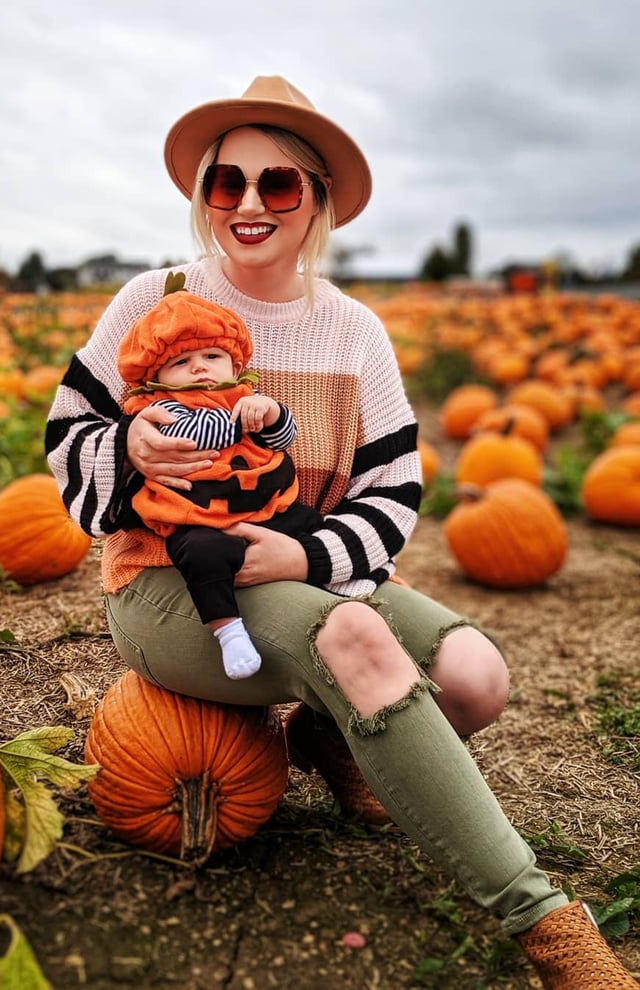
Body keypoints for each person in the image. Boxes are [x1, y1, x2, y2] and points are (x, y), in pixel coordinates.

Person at [46, 76, 637, 987]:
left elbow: (396, 490)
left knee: (476, 678)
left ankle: (327, 738)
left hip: (306, 575)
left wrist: (310, 553)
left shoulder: (353, 333)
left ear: (317, 200)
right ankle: (547, 924)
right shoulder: (151, 301)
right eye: (225, 182)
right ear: (204, 197)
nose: (248, 204)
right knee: (356, 634)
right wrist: (127, 445)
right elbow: (64, 444)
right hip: (173, 590)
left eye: (278, 184)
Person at [117, 278, 322, 679]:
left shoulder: (248, 397)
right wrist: (242, 414)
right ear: (155, 377)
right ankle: (229, 632)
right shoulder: (159, 410)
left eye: (212, 355)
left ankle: (354, 579)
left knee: (312, 526)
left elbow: (283, 439)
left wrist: (273, 413)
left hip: (266, 510)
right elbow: (199, 435)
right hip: (199, 518)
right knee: (198, 556)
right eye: (180, 362)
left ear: (235, 364)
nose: (199, 367)